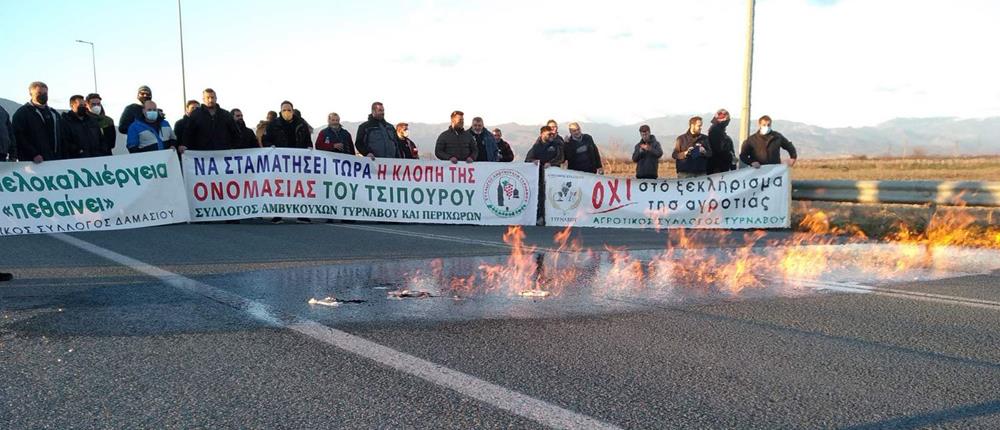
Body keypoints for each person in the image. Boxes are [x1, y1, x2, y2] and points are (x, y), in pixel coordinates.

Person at [12, 81, 64, 163]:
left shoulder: (54, 114)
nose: (43, 95)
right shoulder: (22, 113)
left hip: (55, 160)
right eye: (39, 93)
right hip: (33, 162)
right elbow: (19, 137)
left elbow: (62, 136)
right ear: (31, 94)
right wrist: (33, 154)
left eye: (45, 93)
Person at [525, 126, 565, 225]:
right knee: (541, 197)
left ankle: (553, 217)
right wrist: (533, 161)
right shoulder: (536, 146)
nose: (552, 136)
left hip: (554, 176)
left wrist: (550, 163)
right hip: (540, 176)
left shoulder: (556, 145)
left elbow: (561, 158)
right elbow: (527, 159)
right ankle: (540, 217)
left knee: (554, 196)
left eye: (552, 134)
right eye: (549, 134)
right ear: (542, 134)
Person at [706, 109, 735, 174]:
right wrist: (729, 156)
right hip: (717, 167)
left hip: (721, 165)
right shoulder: (715, 131)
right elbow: (718, 149)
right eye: (727, 120)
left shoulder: (720, 131)